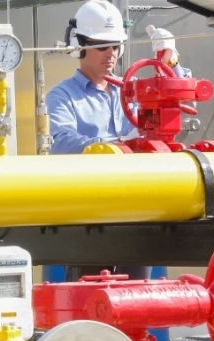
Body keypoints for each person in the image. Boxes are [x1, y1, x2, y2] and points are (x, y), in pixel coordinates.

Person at [45, 0, 189, 281]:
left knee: (137, 295)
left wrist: (170, 60)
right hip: (87, 214)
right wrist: (120, 144)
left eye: (116, 47)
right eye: (102, 47)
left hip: (135, 210)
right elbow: (62, 142)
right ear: (80, 45)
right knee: (90, 297)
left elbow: (174, 97)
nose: (111, 54)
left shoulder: (130, 88)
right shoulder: (62, 95)